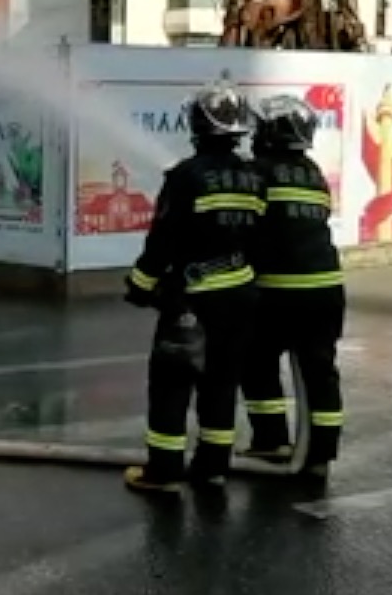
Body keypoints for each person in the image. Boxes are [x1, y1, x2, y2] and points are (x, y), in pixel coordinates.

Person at [123, 82, 264, 495]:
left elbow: (162, 240)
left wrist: (140, 285)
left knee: (172, 383)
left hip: (191, 300)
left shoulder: (186, 176)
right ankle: (213, 468)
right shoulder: (254, 177)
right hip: (240, 299)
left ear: (198, 126)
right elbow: (259, 240)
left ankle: (164, 472)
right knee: (221, 384)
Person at [240, 94, 346, 479]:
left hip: (278, 290)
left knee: (257, 362)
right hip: (327, 290)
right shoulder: (313, 173)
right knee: (320, 371)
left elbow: (244, 225)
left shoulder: (256, 173)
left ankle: (272, 442)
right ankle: (320, 455)